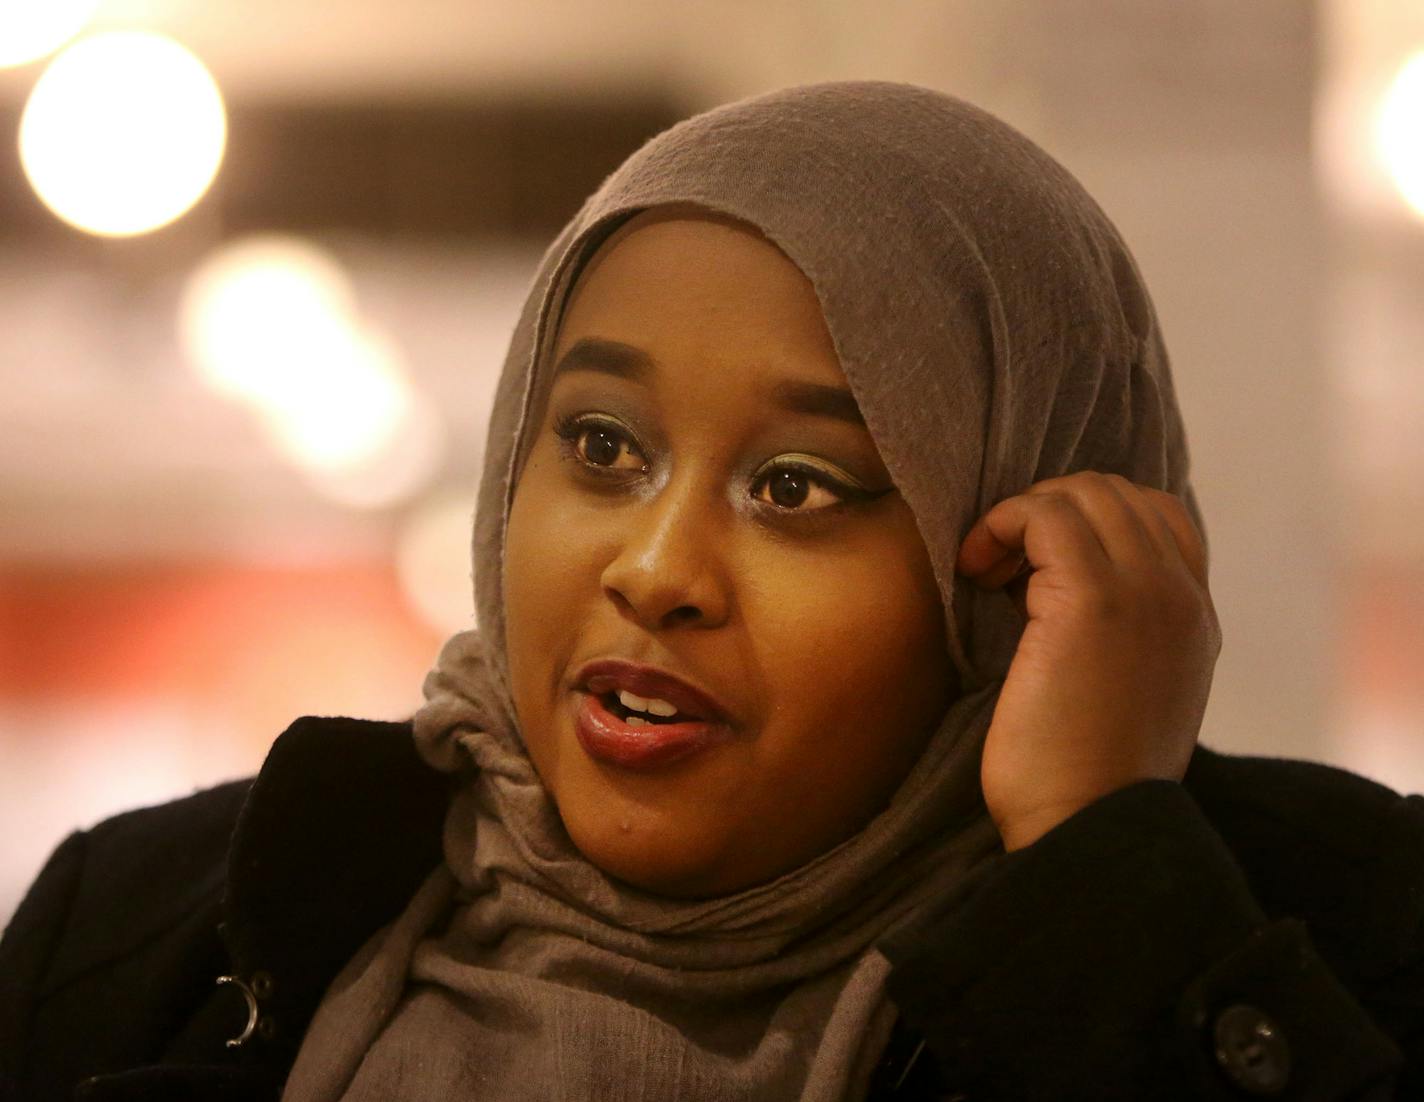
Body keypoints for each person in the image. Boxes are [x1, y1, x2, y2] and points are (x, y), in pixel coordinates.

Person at [2, 79, 1421, 1102]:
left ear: (1015, 572)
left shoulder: (1334, 938)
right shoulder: (145, 927)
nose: (657, 568)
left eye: (797, 485)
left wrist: (1105, 872)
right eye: (604, 447)